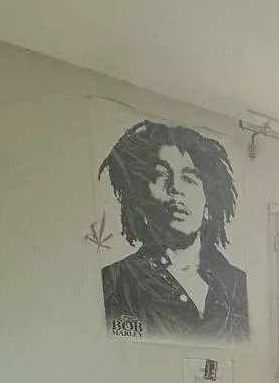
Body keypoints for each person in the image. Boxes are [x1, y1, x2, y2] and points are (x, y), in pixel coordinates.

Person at [98, 120, 248, 340]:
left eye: (189, 178)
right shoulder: (115, 283)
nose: (176, 188)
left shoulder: (237, 284)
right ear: (140, 198)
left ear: (208, 203)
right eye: (161, 176)